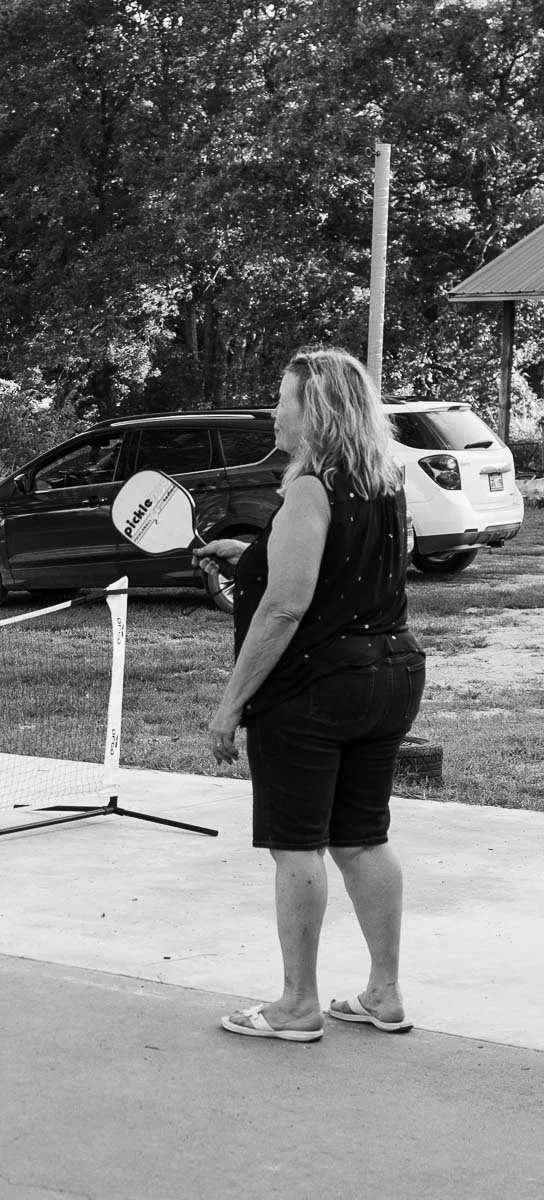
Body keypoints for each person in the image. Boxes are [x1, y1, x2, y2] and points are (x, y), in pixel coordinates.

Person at [193, 347, 425, 1042]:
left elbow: (286, 608)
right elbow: (340, 569)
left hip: (316, 689)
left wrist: (230, 704)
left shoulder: (309, 489)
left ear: (315, 412)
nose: (273, 411)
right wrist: (252, 556)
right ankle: (384, 994)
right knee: (363, 838)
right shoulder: (384, 480)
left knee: (297, 845)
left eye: (283, 398)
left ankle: (297, 1006)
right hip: (390, 675)